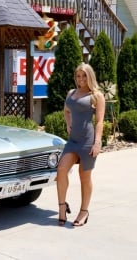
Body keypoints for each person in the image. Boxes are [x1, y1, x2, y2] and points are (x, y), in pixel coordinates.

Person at [56, 63, 105, 227]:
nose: (81, 79)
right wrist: (68, 124)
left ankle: (84, 211)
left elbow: (99, 122)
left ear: (90, 76)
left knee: (84, 176)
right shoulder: (71, 93)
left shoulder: (96, 96)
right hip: (73, 141)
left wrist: (97, 142)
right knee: (61, 169)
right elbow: (67, 111)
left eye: (84, 76)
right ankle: (62, 207)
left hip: (87, 141)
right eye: (78, 76)